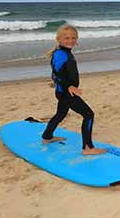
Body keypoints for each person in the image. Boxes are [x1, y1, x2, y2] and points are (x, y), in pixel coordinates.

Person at [41, 24, 106, 155]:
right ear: (58, 39)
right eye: (66, 38)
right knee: (88, 115)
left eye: (73, 38)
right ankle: (88, 148)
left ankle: (47, 137)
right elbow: (57, 73)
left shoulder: (64, 53)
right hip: (67, 93)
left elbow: (57, 73)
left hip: (63, 91)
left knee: (60, 114)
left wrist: (58, 83)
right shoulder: (61, 54)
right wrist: (68, 86)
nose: (70, 40)